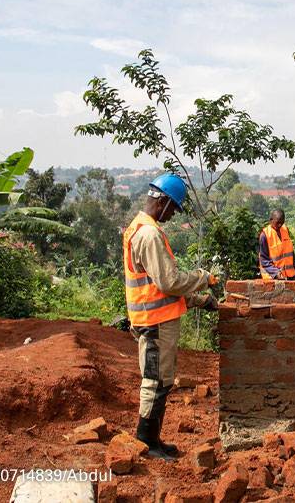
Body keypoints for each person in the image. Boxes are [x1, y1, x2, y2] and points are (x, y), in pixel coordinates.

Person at [122, 172, 218, 461]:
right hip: (155, 323)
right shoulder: (149, 234)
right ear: (162, 201)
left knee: (161, 380)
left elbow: (158, 285)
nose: (173, 214)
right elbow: (169, 281)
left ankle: (153, 439)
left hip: (155, 319)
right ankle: (146, 441)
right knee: (155, 382)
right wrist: (203, 278)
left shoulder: (140, 227)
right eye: (173, 208)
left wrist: (199, 301)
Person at [258, 209, 295, 280]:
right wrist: (276, 273)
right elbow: (264, 260)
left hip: (289, 276)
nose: (280, 225)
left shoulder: (285, 230)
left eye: (282, 223)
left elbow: (290, 253)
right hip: (272, 278)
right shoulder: (264, 235)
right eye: (277, 223)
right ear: (271, 220)